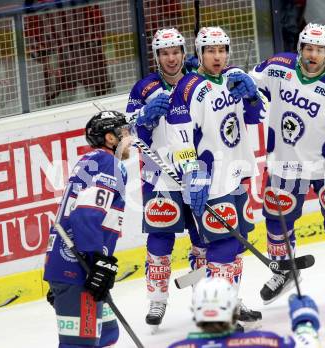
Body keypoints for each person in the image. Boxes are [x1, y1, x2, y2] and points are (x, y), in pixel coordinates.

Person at [249, 23, 325, 309]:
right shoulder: (278, 66)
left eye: (320, 50)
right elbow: (247, 81)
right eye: (309, 48)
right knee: (278, 224)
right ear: (300, 48)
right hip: (286, 163)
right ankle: (284, 272)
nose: (313, 55)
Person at [165, 26, 268, 327]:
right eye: (210, 50)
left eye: (222, 49)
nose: (217, 56)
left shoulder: (235, 78)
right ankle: (217, 312)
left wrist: (252, 98)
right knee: (222, 246)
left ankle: (230, 303)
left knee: (237, 244)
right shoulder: (189, 88)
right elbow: (178, 138)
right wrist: (192, 173)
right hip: (209, 183)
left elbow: (255, 118)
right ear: (199, 53)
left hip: (236, 174)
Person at [125, 28, 207, 332]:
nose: (171, 58)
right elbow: (127, 133)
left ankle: (205, 295)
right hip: (159, 178)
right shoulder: (143, 88)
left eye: (175, 52)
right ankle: (157, 299)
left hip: (195, 175)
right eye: (164, 53)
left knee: (204, 241)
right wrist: (143, 117)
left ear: (184, 53)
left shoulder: (195, 82)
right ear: (156, 56)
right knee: (160, 242)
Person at [43, 110, 131, 347]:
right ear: (111, 138)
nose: (130, 138)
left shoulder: (91, 161)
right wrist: (97, 261)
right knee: (80, 344)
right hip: (78, 267)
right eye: (125, 132)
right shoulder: (108, 162)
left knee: (108, 332)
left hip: (73, 263)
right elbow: (86, 214)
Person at [168, 277, 320, 347]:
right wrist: (304, 318)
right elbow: (308, 343)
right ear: (234, 310)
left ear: (195, 312)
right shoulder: (263, 341)